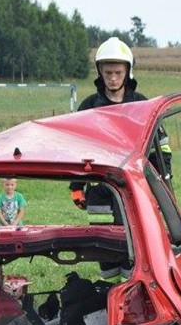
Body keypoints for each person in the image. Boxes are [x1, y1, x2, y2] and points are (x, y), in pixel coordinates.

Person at [70, 37, 170, 281]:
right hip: (99, 187)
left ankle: (130, 294)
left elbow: (162, 148)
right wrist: (76, 187)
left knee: (131, 241)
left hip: (132, 186)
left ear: (127, 72)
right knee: (103, 242)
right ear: (100, 73)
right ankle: (109, 293)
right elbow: (75, 147)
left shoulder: (142, 105)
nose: (112, 78)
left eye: (117, 72)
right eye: (107, 73)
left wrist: (163, 183)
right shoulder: (88, 107)